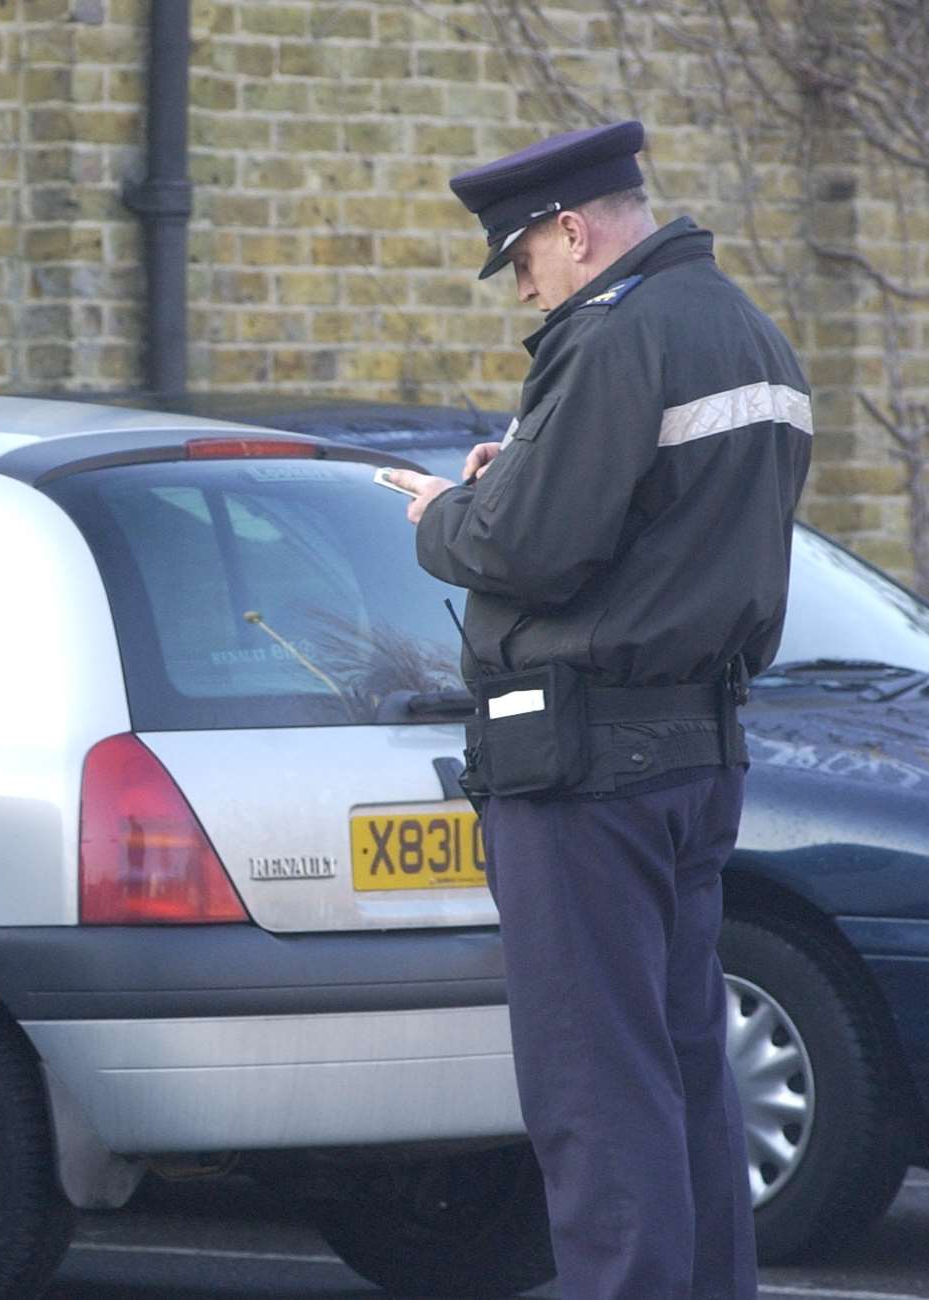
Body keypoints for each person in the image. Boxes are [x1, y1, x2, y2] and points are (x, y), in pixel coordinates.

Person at [382, 121, 812, 1300]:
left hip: (581, 763)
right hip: (694, 747)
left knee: (591, 1087)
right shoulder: (749, 331)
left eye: (521, 260)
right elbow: (654, 526)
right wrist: (513, 480)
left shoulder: (610, 339)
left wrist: (441, 514)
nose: (522, 287)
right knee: (681, 1068)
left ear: (573, 232)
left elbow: (529, 542)